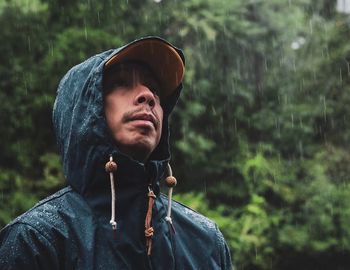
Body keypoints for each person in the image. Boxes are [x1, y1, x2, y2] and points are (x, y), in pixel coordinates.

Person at [0, 36, 232, 269]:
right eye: (121, 83)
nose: (148, 96)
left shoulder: (206, 242)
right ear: (85, 109)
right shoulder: (37, 241)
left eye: (154, 89)